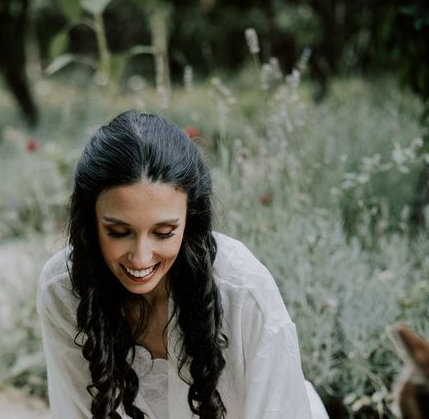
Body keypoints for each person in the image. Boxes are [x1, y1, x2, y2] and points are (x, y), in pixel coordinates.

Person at [37, 110, 329, 418]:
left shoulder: (242, 288)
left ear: (190, 220)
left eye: (163, 233)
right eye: (118, 232)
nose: (141, 257)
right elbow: (75, 411)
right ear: (91, 223)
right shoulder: (62, 288)